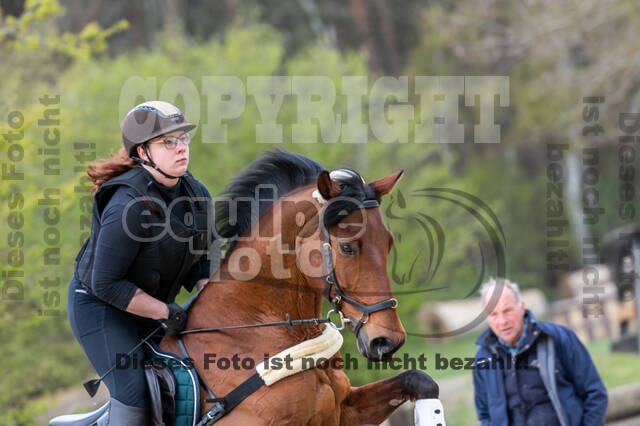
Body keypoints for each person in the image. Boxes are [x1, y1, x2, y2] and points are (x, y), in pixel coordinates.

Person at [67, 101, 213, 424]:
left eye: (183, 139)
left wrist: (214, 303)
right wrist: (165, 311)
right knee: (135, 393)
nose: (181, 149)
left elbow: (202, 265)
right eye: (168, 142)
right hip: (100, 307)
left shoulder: (198, 195)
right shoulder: (127, 206)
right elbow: (105, 284)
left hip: (148, 304)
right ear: (143, 153)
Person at [473, 278, 608, 426]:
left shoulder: (560, 338)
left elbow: (595, 393)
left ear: (522, 307)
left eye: (507, 310)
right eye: (494, 314)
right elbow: (485, 413)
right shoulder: (483, 358)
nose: (502, 321)